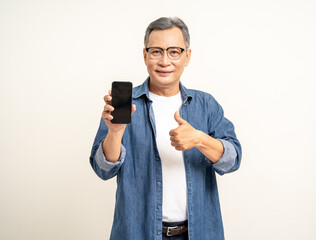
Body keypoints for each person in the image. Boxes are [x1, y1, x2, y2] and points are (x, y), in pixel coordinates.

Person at [90, 17, 242, 240]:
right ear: (145, 55)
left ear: (186, 56)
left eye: (174, 51)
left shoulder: (206, 105)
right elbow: (103, 170)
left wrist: (200, 139)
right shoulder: (125, 104)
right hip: (138, 232)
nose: (164, 61)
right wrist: (114, 133)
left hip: (198, 233)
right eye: (156, 51)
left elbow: (233, 160)